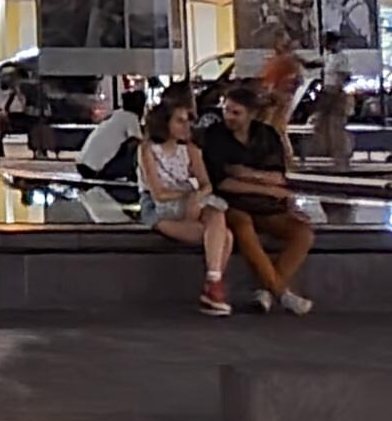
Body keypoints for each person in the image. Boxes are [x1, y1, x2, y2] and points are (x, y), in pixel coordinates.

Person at [200, 78, 316, 311]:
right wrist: (264, 184)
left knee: (303, 233)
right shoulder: (215, 136)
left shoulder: (267, 136)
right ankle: (282, 292)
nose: (229, 116)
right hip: (233, 205)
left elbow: (279, 177)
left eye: (236, 112)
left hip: (268, 206)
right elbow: (223, 183)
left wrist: (247, 174)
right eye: (226, 110)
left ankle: (267, 288)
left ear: (251, 114)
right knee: (243, 226)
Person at [132, 85, 237, 317]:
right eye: (179, 121)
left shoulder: (190, 150)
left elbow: (206, 184)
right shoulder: (148, 150)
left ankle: (213, 285)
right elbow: (158, 193)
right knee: (223, 238)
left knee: (218, 220)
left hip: (189, 204)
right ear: (165, 124)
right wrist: (190, 196)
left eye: (187, 120)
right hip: (160, 209)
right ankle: (213, 289)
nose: (186, 125)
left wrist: (197, 198)